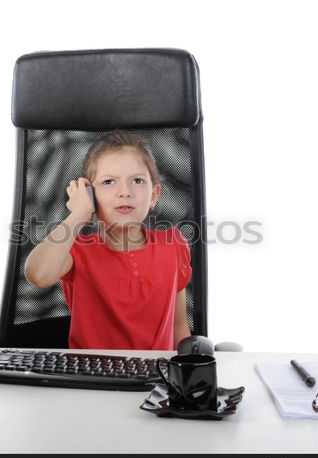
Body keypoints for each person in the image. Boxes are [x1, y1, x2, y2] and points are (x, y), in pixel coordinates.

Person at [24, 131, 192, 350]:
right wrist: (78, 215)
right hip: (93, 377)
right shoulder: (76, 251)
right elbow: (38, 275)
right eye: (109, 181)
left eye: (137, 180)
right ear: (90, 195)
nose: (125, 191)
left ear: (153, 195)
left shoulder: (173, 244)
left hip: (154, 379)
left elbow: (179, 327)